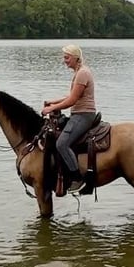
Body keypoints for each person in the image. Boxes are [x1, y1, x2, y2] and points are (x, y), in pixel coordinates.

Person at [41, 45, 97, 192]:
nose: (64, 61)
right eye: (64, 57)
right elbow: (72, 96)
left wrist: (52, 108)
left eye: (67, 57)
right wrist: (55, 102)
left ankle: (77, 178)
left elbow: (72, 100)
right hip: (80, 113)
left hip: (83, 114)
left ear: (75, 58)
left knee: (61, 144)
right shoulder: (80, 72)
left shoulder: (82, 73)